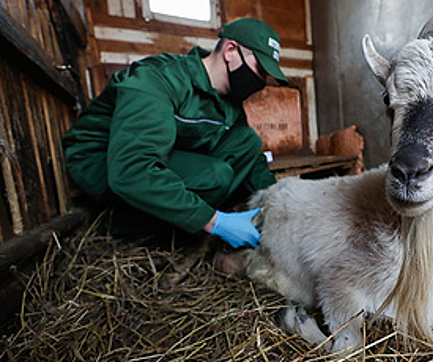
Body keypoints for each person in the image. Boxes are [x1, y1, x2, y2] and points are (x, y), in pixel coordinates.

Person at [63, 18, 287, 249]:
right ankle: (122, 229)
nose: (261, 82)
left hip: (153, 154)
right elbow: (132, 167)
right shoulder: (160, 78)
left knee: (247, 140)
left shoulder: (229, 100)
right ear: (230, 50)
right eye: (259, 69)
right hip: (104, 163)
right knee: (215, 176)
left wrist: (281, 203)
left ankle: (175, 221)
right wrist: (214, 222)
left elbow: (250, 157)